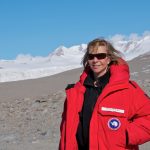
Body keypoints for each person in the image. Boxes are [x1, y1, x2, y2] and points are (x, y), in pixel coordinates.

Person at [59, 38, 150, 150]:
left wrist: (126, 135)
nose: (95, 60)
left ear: (109, 58)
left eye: (100, 56)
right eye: (91, 56)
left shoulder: (126, 89)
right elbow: (66, 129)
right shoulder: (76, 92)